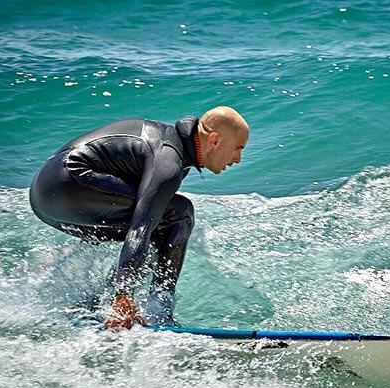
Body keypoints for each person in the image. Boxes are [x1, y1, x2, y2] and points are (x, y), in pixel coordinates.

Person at [29, 106, 249, 330]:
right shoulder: (168, 160)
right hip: (67, 183)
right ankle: (153, 311)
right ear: (214, 140)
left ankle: (97, 305)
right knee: (178, 213)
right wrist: (123, 294)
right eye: (238, 148)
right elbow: (141, 227)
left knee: (159, 223)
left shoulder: (173, 150)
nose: (238, 158)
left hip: (46, 196)